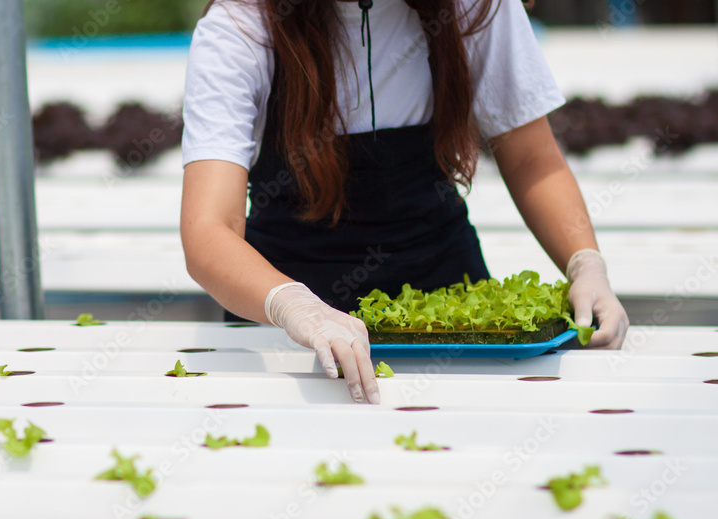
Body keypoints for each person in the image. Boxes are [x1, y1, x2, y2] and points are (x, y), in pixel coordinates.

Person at [179, 0, 630, 404]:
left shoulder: (472, 6)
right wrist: (294, 306)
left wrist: (584, 262)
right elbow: (208, 229)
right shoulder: (241, 25)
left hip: (451, 307)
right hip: (287, 330)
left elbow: (533, 160)